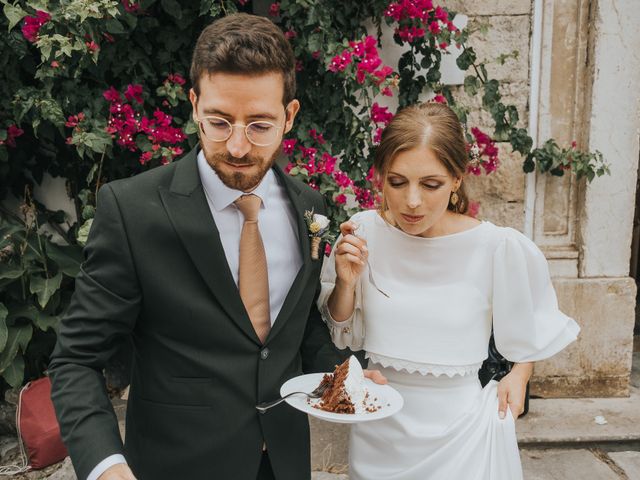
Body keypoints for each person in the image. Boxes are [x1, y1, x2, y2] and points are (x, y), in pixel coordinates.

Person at [49, 13, 350, 480]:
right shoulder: (132, 210)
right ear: (193, 105)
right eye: (219, 121)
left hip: (286, 462)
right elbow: (77, 359)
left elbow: (292, 325)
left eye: (259, 125)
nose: (236, 146)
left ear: (290, 116)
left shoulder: (309, 206)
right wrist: (107, 467)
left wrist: (343, 372)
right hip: (176, 465)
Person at [318, 102, 581, 480]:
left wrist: (519, 376)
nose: (412, 201)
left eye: (431, 184)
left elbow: (532, 327)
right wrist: (346, 280)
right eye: (397, 181)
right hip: (379, 432)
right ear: (380, 178)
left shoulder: (496, 246)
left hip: (462, 434)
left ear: (457, 178)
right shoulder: (362, 232)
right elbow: (341, 332)